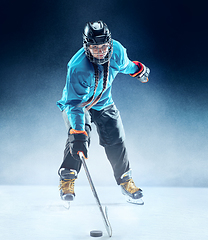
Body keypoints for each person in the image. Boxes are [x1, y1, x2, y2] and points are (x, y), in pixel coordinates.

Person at [57, 20, 150, 205]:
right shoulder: (77, 67)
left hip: (104, 103)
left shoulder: (117, 51)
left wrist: (138, 70)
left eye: (104, 46)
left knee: (116, 138)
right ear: (87, 46)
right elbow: (74, 103)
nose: (100, 51)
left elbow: (125, 66)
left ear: (109, 43)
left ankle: (125, 181)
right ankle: (67, 178)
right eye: (94, 47)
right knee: (79, 139)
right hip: (78, 106)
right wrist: (78, 133)